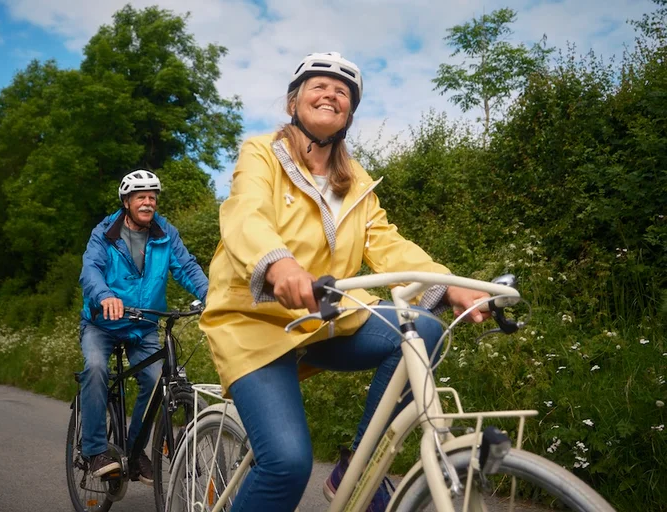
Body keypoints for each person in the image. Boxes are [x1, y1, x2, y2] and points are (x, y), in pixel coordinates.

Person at [199, 52, 490, 511]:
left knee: (422, 330)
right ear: (294, 102)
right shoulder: (261, 153)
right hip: (254, 321)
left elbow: (389, 242)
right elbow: (246, 215)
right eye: (319, 85)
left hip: (327, 313)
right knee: (287, 464)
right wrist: (280, 266)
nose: (331, 93)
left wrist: (450, 283)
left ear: (348, 115)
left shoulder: (354, 181)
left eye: (343, 92)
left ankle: (357, 470)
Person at [78, 169, 208, 484]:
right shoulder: (104, 233)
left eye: (152, 197)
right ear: (127, 202)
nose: (148, 202)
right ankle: (94, 451)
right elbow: (90, 269)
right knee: (96, 368)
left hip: (143, 325)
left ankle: (135, 451)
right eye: (141, 197)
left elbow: (186, 267)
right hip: (102, 322)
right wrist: (105, 295)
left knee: (156, 381)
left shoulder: (165, 234)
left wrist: (212, 296)